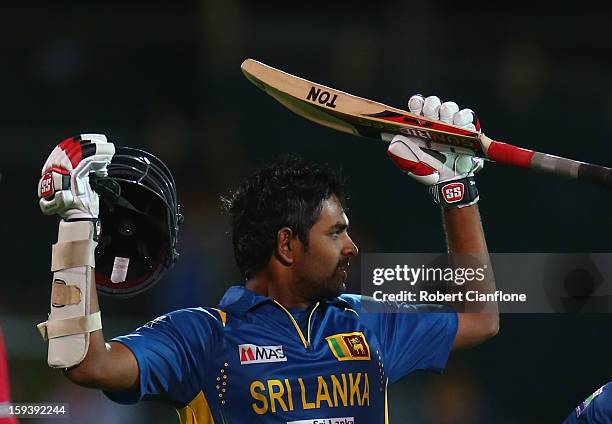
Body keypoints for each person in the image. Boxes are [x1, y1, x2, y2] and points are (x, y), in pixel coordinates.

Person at [37, 95, 499, 423]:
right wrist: (78, 226)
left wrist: (457, 194)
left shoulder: (367, 323)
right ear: (287, 245)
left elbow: (480, 318)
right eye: (336, 233)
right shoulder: (203, 336)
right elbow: (88, 364)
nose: (352, 247)